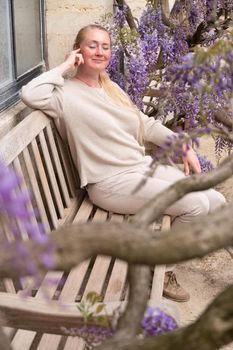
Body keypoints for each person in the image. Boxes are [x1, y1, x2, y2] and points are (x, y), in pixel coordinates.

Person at [21, 24, 226, 302]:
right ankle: (158, 268)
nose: (100, 51)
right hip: (109, 182)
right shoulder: (63, 95)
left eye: (105, 46)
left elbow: (146, 124)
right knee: (195, 204)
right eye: (92, 45)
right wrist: (64, 66)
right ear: (78, 50)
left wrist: (183, 146)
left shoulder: (112, 87)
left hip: (139, 169)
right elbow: (29, 94)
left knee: (215, 201)